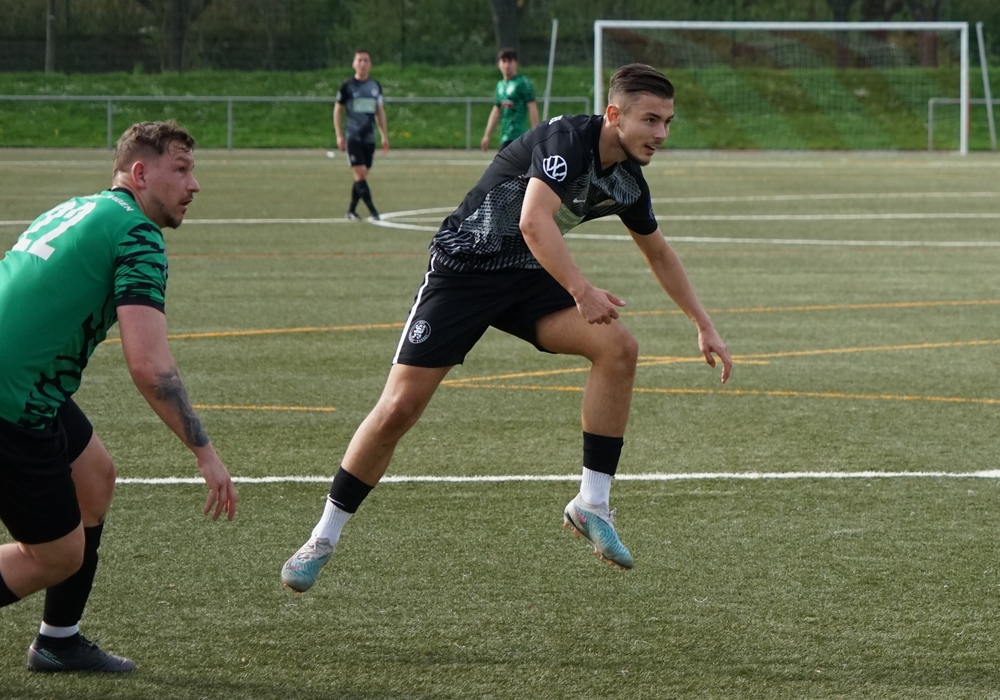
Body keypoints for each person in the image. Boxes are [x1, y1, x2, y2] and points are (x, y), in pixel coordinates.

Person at [282, 63, 731, 592]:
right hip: (464, 272)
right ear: (614, 115)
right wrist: (582, 290)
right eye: (651, 120)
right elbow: (533, 220)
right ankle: (322, 537)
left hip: (527, 277)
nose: (661, 134)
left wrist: (703, 324)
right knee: (399, 407)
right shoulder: (568, 142)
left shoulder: (628, 180)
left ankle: (592, 504)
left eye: (667, 122)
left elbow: (658, 253)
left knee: (618, 347)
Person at [0, 120, 238, 672]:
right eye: (181, 169)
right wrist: (205, 453)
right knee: (57, 557)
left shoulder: (78, 207)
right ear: (140, 173)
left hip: (27, 381)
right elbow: (150, 367)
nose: (194, 184)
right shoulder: (137, 233)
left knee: (94, 477)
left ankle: (58, 642)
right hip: (14, 399)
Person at [335, 49, 390, 221]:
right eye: (359, 60)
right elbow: (338, 110)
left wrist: (384, 135)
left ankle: (351, 211)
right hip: (353, 136)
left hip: (369, 137)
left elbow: (379, 111)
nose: (363, 63)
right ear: (354, 64)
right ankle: (374, 212)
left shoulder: (375, 86)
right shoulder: (347, 86)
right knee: (360, 174)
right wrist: (339, 135)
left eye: (366, 60)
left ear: (370, 64)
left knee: (362, 175)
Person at [481, 48, 539, 152]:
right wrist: (487, 135)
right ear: (499, 64)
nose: (507, 65)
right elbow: (496, 111)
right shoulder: (500, 85)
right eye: (504, 61)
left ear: (516, 63)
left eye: (510, 61)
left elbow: (532, 107)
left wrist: (536, 133)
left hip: (518, 136)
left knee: (500, 162)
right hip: (505, 137)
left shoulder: (522, 83)